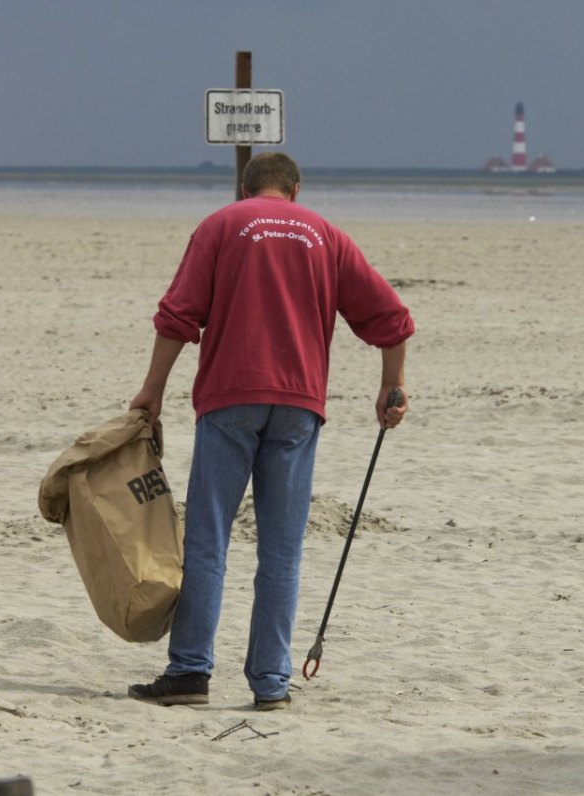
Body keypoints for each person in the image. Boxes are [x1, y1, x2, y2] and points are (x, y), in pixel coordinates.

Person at [127, 152, 415, 711]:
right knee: (281, 552)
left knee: (209, 541)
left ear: (245, 189)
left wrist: (152, 390)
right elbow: (392, 318)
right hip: (298, 406)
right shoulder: (326, 235)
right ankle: (271, 683)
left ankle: (189, 672)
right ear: (296, 190)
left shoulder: (221, 225)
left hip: (229, 399)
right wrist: (392, 385)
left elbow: (178, 317)